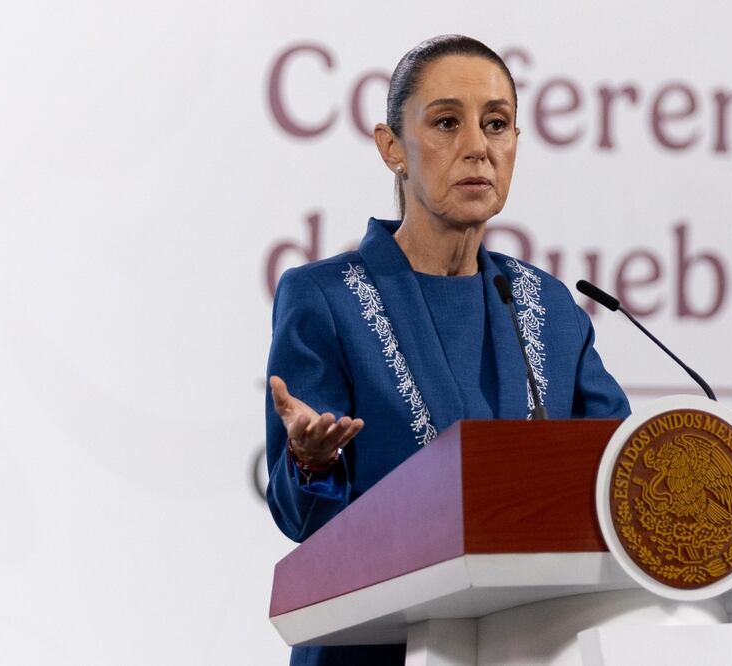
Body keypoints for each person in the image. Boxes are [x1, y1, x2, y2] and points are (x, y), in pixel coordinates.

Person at [265, 34, 631, 666]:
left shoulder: (545, 306)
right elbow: (302, 520)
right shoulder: (324, 298)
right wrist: (310, 462)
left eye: (496, 125)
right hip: (373, 649)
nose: (477, 148)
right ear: (391, 149)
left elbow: (619, 469)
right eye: (445, 123)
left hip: (528, 644)